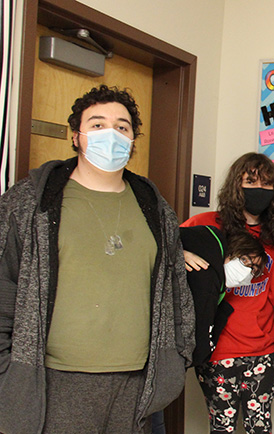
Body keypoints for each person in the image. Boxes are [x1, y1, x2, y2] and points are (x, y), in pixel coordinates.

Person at [0, 85, 195, 433]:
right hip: (54, 380)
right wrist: (8, 371)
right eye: (97, 124)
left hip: (138, 380)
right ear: (77, 136)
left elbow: (176, 290)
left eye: (122, 127)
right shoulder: (30, 202)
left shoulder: (155, 206)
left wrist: (177, 356)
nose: (111, 134)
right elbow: (4, 285)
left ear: (133, 140)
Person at [182, 153, 274, 434]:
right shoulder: (205, 224)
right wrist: (180, 254)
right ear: (235, 186)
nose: (259, 190)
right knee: (222, 428)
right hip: (216, 350)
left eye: (267, 184)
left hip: (261, 350)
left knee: (260, 427)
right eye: (251, 182)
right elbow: (163, 247)